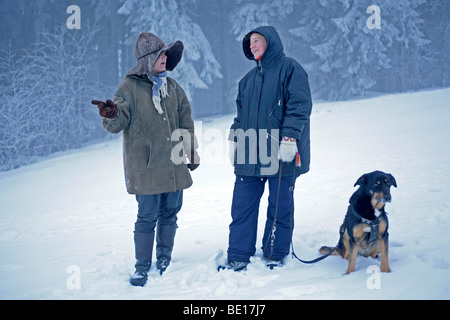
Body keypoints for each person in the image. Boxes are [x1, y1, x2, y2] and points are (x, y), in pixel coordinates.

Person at [92, 32, 199, 286]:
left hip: (173, 165)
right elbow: (117, 122)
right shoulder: (128, 88)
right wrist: (111, 113)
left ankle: (164, 258)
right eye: (160, 54)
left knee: (171, 213)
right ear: (147, 59)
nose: (165, 57)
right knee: (147, 216)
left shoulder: (173, 88)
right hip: (146, 167)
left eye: (165, 54)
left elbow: (186, 122)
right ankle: (142, 266)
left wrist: (191, 150)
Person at [223, 26, 312, 271]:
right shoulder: (247, 81)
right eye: (249, 42)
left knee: (279, 206)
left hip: (282, 152)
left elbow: (300, 106)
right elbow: (241, 117)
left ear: (270, 41)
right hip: (251, 153)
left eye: (257, 40)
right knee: (242, 205)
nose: (252, 45)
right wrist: (235, 139)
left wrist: (290, 139)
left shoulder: (290, 69)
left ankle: (275, 253)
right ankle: (238, 255)